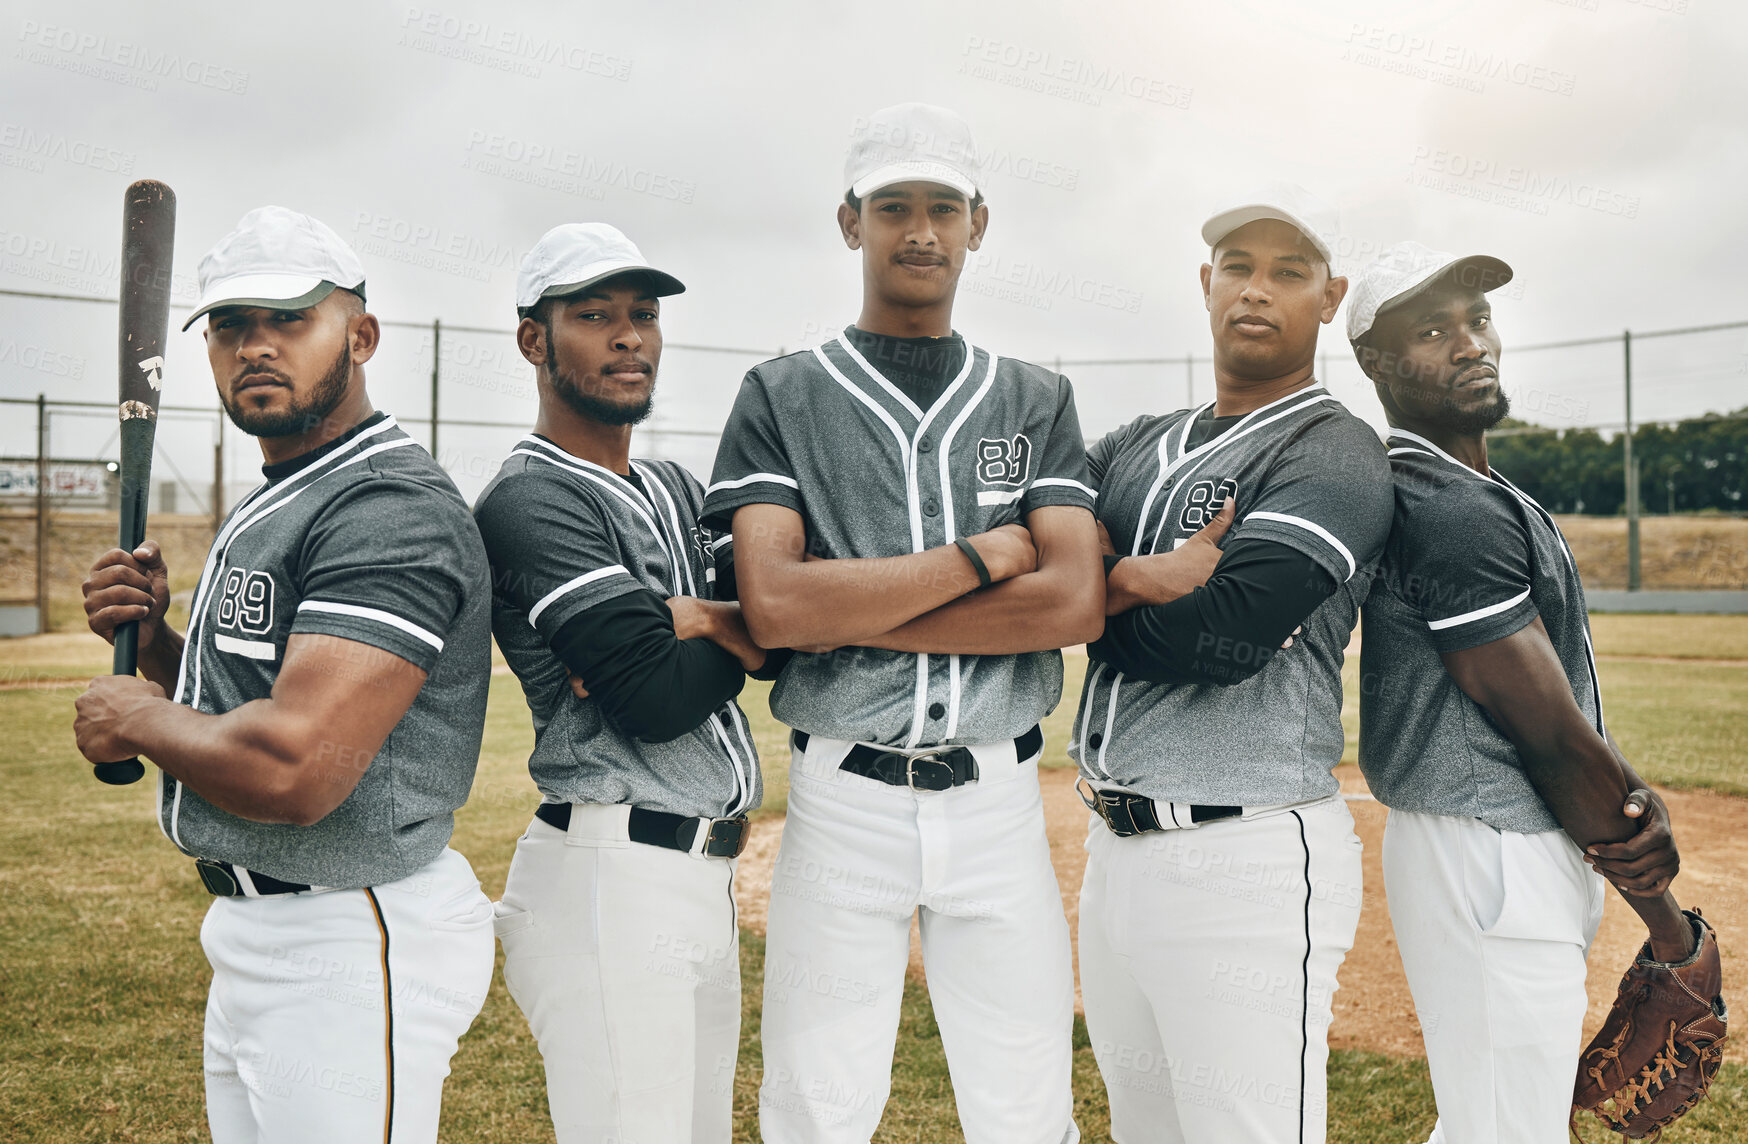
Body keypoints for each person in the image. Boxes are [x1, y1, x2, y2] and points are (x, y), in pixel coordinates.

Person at [702, 102, 1103, 1144]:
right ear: (850, 223)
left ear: (978, 223)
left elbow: (1069, 600)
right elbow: (776, 603)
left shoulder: (1031, 395)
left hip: (999, 800)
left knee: (1025, 1103)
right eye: (892, 208)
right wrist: (975, 561)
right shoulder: (782, 391)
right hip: (844, 800)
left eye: (941, 208)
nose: (918, 230)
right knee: (814, 1104)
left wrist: (845, 604)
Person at [73, 205, 494, 1143]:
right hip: (270, 927)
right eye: (230, 327)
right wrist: (159, 647)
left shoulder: (386, 507)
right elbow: (245, 713)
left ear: (362, 334)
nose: (255, 348)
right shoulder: (295, 492)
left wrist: (136, 716)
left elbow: (299, 765)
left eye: (289, 320)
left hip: (351, 936)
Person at [1348, 241, 1696, 1144]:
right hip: (1491, 852)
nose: (1471, 345)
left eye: (1479, 319)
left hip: (1506, 848)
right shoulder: (1448, 505)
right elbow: (1545, 733)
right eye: (1433, 330)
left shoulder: (1474, 487)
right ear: (1376, 364)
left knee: (1491, 1123)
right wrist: (1670, 931)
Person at [1071, 184, 1394, 1143]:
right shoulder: (1137, 442)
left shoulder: (1336, 451)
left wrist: (1078, 592)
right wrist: (1141, 579)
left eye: (1289, 272)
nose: (1259, 290)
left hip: (1245, 856)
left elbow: (1225, 639)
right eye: (1239, 268)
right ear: (1205, 283)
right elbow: (1026, 561)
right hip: (1113, 850)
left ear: (1329, 298)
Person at [473, 222, 771, 1143]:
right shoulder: (531, 499)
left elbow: (795, 628)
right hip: (611, 873)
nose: (628, 336)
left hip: (699, 872)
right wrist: (737, 626)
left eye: (641, 315)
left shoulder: (677, 485)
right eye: (594, 315)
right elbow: (651, 695)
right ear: (534, 340)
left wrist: (704, 620)